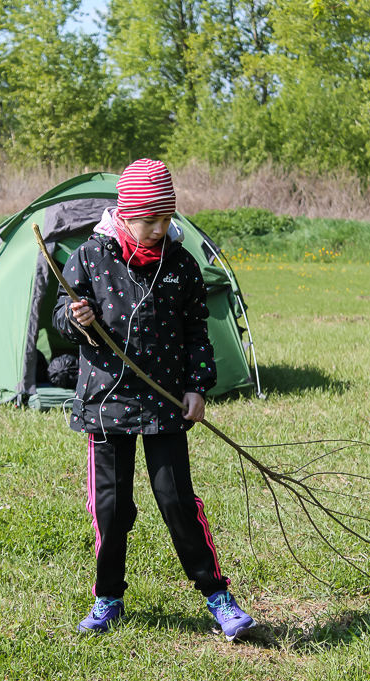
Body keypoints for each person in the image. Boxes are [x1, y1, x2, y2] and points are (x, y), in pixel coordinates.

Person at [52, 158, 255, 641]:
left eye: (165, 219)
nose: (158, 229)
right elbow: (61, 318)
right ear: (124, 214)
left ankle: (217, 596)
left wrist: (196, 386)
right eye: (148, 220)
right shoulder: (89, 257)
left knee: (176, 499)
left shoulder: (181, 263)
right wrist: (76, 317)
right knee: (112, 507)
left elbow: (196, 332)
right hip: (106, 402)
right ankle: (108, 597)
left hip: (165, 403)